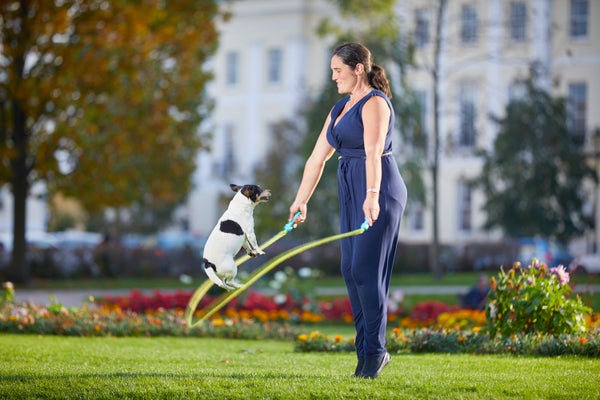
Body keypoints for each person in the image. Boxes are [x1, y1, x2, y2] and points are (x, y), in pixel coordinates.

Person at [289, 43, 407, 379]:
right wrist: (301, 200)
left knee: (366, 271)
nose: (333, 77)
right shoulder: (342, 106)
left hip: (379, 188)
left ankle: (376, 352)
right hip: (350, 187)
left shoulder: (375, 104)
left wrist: (372, 197)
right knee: (350, 270)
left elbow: (373, 153)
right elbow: (317, 157)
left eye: (337, 70)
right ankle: (365, 353)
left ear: (358, 69)